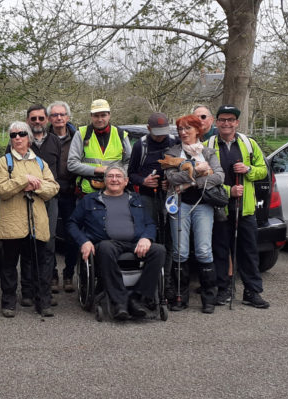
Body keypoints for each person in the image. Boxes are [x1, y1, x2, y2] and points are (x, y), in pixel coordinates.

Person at [67, 165, 167, 320]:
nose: (114, 179)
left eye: (118, 176)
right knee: (106, 247)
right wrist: (84, 241)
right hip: (107, 243)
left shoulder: (136, 199)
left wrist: (146, 238)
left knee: (159, 250)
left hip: (135, 243)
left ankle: (137, 298)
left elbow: (150, 224)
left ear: (126, 181)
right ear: (104, 180)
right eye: (110, 176)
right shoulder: (90, 200)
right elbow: (72, 223)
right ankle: (119, 301)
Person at [205, 104, 271, 309]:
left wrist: (248, 169)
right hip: (219, 208)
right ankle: (223, 289)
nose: (226, 123)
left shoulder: (248, 144)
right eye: (222, 120)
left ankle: (252, 291)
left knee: (249, 251)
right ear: (217, 122)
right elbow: (203, 177)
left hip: (246, 208)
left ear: (236, 123)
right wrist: (228, 190)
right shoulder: (207, 145)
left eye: (230, 120)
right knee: (221, 250)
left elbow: (263, 170)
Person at [0, 121, 59, 318]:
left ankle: (43, 302)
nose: (17, 138)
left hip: (36, 222)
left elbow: (53, 188)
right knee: (9, 266)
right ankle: (8, 303)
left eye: (21, 134)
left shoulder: (39, 162)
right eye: (13, 135)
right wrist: (24, 181)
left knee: (41, 264)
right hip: (12, 222)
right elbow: (0, 189)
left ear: (28, 137)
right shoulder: (4, 162)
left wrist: (35, 187)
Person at [162, 113, 224, 314]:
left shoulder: (208, 152)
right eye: (180, 129)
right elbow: (171, 178)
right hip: (178, 204)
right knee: (180, 251)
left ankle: (209, 299)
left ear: (198, 130)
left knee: (204, 250)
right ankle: (180, 297)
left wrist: (189, 183)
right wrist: (199, 171)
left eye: (188, 128)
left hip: (203, 204)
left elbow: (219, 176)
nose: (183, 132)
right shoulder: (172, 152)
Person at [25, 105, 63, 295]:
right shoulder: (20, 140)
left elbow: (59, 172)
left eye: (41, 118)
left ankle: (45, 289)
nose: (37, 122)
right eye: (34, 119)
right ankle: (29, 290)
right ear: (27, 121)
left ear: (46, 120)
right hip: (26, 200)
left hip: (50, 200)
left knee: (48, 243)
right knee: (29, 243)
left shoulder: (55, 141)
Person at [67, 99, 132, 195]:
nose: (100, 119)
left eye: (103, 115)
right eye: (96, 116)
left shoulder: (121, 134)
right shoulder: (81, 134)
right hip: (87, 192)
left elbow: (129, 162)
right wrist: (96, 170)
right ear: (91, 116)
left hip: (115, 192)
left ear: (109, 115)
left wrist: (117, 176)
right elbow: (72, 164)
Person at [48, 100, 79, 292]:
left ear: (67, 117)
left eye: (62, 115)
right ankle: (51, 275)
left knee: (72, 235)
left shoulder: (78, 137)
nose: (59, 118)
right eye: (54, 115)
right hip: (49, 193)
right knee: (49, 235)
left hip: (71, 193)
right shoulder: (43, 138)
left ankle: (69, 274)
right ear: (50, 118)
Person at [128, 112, 178, 220]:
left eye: (163, 133)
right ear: (149, 128)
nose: (161, 136)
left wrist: (171, 180)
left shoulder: (175, 142)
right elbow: (131, 174)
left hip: (171, 193)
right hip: (147, 194)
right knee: (150, 224)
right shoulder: (140, 146)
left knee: (170, 227)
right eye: (157, 133)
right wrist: (143, 181)